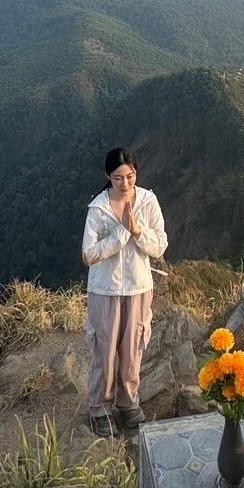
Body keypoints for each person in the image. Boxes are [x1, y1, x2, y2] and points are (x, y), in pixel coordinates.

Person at [81, 147, 167, 437]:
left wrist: (138, 229)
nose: (126, 183)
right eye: (118, 178)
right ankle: (99, 407)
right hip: (105, 288)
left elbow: (160, 246)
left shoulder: (148, 201)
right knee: (104, 349)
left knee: (133, 348)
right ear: (108, 176)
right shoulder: (99, 208)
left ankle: (128, 401)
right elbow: (88, 254)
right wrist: (122, 233)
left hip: (139, 286)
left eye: (130, 176)